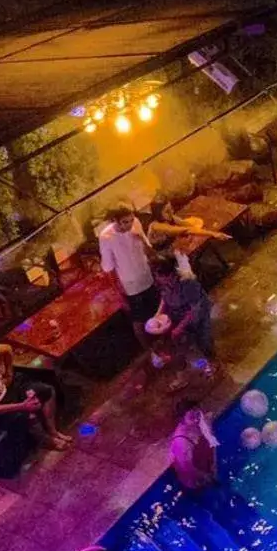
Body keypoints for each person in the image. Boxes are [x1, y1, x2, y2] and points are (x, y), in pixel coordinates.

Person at [0, 341, 72, 449]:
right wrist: (23, 406)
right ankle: (47, 441)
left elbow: (6, 348)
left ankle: (53, 431)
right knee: (30, 413)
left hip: (4, 390)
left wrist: (9, 374)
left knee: (48, 391)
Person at [98, 205, 161, 345]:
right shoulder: (106, 237)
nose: (130, 224)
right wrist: (118, 293)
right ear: (115, 221)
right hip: (130, 285)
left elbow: (149, 250)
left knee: (158, 310)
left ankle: (164, 341)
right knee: (139, 319)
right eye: (125, 222)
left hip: (146, 276)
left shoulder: (136, 223)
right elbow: (108, 268)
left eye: (131, 220)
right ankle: (149, 350)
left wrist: (142, 240)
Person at [153, 250, 216, 378]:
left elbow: (194, 309)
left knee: (203, 340)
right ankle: (200, 365)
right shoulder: (162, 282)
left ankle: (213, 364)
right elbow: (164, 296)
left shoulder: (187, 282)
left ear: (170, 274)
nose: (157, 278)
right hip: (179, 313)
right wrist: (158, 314)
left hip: (198, 313)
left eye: (160, 275)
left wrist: (179, 327)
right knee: (187, 344)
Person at [170, 400, 219, 490]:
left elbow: (211, 440)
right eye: (192, 417)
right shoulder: (181, 442)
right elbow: (187, 468)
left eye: (198, 414)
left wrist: (213, 464)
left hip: (206, 466)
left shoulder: (200, 421)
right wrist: (205, 476)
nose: (197, 419)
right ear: (182, 420)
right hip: (194, 480)